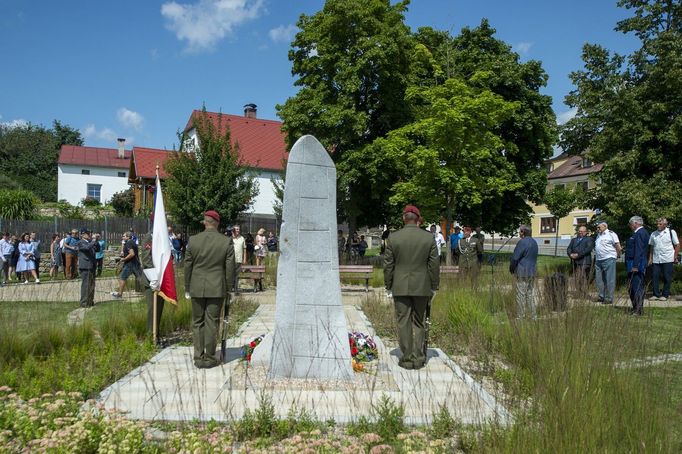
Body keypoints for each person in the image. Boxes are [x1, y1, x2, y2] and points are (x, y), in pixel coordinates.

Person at [384, 204, 440, 370]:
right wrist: (434, 286)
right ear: (418, 220)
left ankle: (407, 358)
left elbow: (388, 265)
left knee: (403, 321)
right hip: (422, 286)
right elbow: (434, 265)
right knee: (419, 321)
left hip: (400, 285)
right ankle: (419, 357)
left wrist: (388, 285)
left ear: (404, 218)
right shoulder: (428, 238)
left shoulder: (393, 238)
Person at [184, 210, 236, 368]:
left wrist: (187, 287)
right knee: (212, 322)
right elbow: (230, 268)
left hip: (196, 286)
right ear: (217, 223)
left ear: (205, 222)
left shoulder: (193, 240)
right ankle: (210, 357)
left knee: (197, 322)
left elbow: (187, 266)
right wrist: (230, 289)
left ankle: (198, 357)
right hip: (217, 287)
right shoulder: (226, 241)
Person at [509, 225, 538, 319]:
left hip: (522, 271)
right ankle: (533, 316)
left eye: (520, 231)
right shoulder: (534, 242)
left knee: (521, 295)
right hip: (532, 271)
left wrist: (511, 268)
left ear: (523, 232)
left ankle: (520, 317)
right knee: (530, 295)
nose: (519, 233)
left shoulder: (522, 242)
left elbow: (515, 258)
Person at [648, 217, 679, 301]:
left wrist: (675, 256)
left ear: (665, 224)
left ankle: (665, 295)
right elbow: (651, 247)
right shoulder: (653, 234)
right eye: (657, 224)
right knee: (654, 276)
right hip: (656, 258)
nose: (658, 225)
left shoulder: (671, 232)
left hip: (668, 258)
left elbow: (677, 245)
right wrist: (650, 258)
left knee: (667, 277)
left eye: (660, 224)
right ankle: (656, 294)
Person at [625, 216, 650, 315]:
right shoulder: (638, 233)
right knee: (631, 286)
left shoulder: (640, 233)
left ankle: (638, 309)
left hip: (636, 263)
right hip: (633, 262)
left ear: (636, 223)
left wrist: (635, 265)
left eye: (630, 224)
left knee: (636, 286)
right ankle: (635, 307)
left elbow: (639, 250)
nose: (630, 226)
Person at [594, 221, 621, 304]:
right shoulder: (599, 235)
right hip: (599, 259)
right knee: (599, 279)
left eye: (599, 227)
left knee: (609, 279)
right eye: (597, 227)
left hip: (608, 258)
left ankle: (609, 297)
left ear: (605, 226)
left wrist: (617, 255)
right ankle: (601, 296)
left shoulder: (611, 234)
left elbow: (618, 246)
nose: (598, 229)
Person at [111, 231, 143, 298]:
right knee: (140, 278)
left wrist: (124, 259)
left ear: (128, 237)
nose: (122, 237)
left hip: (130, 264)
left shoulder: (128, 243)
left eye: (124, 236)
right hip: (135, 263)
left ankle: (119, 294)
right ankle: (149, 292)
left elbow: (132, 254)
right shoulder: (132, 242)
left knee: (122, 277)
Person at [73, 228, 99, 307]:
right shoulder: (80, 242)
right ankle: (84, 302)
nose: (89, 235)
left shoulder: (91, 242)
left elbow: (98, 249)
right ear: (82, 235)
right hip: (85, 266)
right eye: (87, 233)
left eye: (90, 233)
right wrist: (93, 241)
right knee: (86, 285)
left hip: (92, 265)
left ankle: (90, 301)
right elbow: (87, 248)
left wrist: (96, 241)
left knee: (91, 285)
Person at [566, 225, 595, 293]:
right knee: (576, 278)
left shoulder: (589, 239)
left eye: (582, 231)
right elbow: (569, 248)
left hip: (584, 262)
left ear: (586, 232)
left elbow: (588, 249)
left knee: (583, 277)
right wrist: (570, 254)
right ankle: (579, 292)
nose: (580, 232)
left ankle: (584, 293)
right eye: (579, 231)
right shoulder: (574, 239)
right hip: (575, 262)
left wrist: (578, 255)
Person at [231, 225, 246, 290]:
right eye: (236, 229)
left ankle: (236, 287)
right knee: (231, 274)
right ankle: (230, 287)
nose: (238, 230)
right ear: (233, 230)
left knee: (237, 274)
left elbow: (244, 249)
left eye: (238, 229)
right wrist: (232, 236)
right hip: (231, 259)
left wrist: (244, 259)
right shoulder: (230, 238)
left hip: (239, 259)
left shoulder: (242, 238)